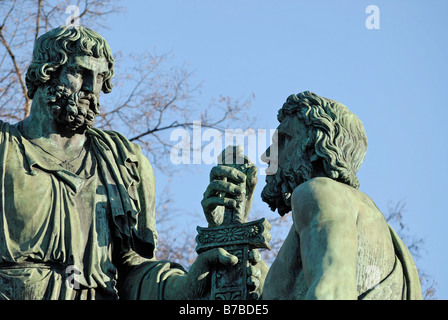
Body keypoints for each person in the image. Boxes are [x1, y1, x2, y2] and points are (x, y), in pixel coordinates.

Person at [0, 25, 247, 300]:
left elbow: (133, 271)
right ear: (46, 72)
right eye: (80, 72)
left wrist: (188, 284)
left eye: (100, 77)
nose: (92, 88)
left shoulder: (124, 161)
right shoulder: (5, 150)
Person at [202, 91, 422, 299]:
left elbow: (331, 293)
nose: (268, 155)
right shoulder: (358, 213)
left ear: (316, 149)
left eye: (283, 141)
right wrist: (228, 232)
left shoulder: (319, 192)